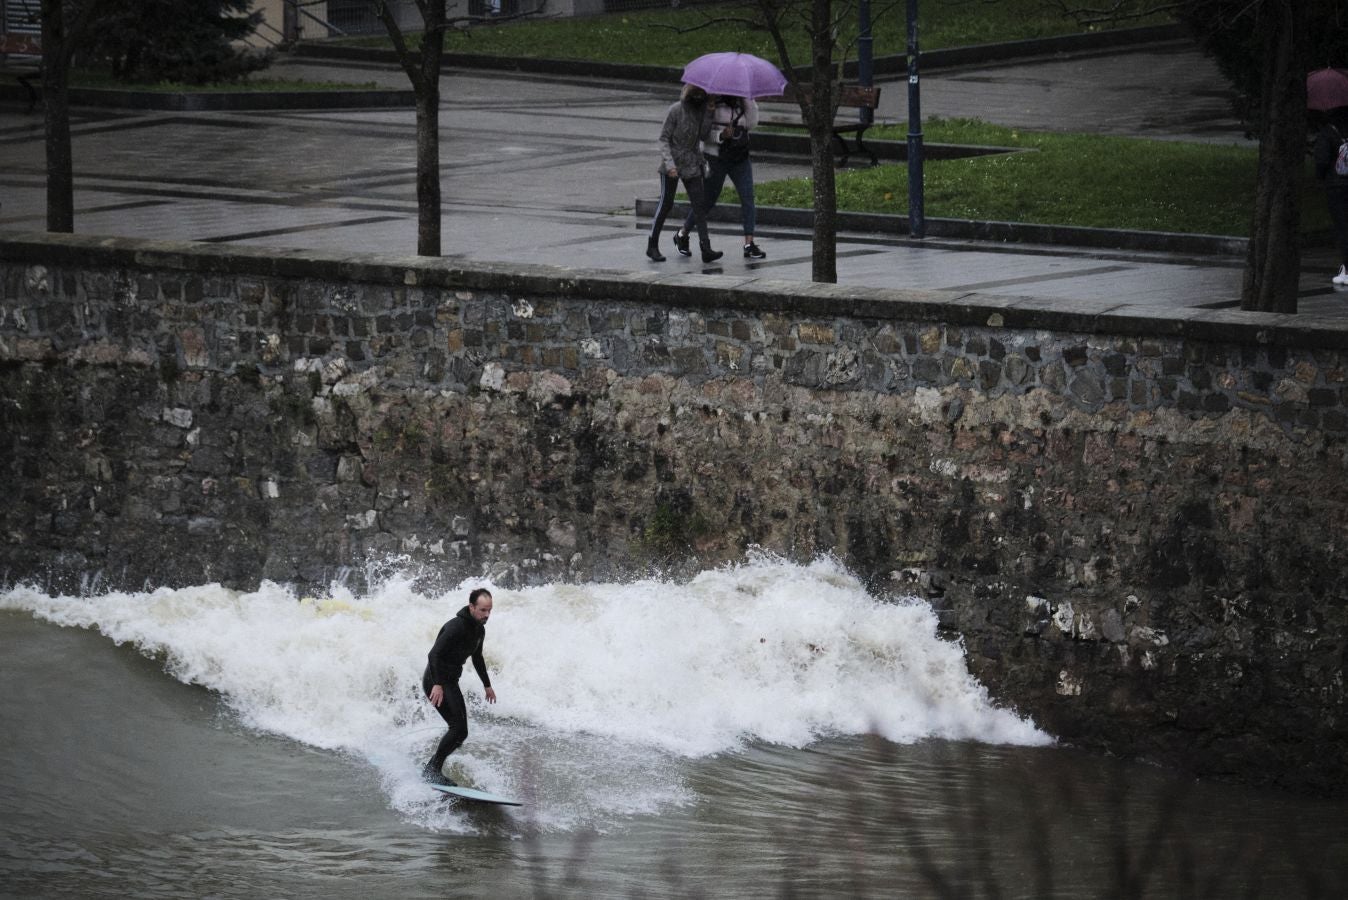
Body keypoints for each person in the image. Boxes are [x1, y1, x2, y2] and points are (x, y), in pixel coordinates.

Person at [675, 94, 766, 260]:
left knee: (748, 197)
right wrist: (721, 135)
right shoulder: (711, 101)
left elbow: (752, 122)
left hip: (740, 156)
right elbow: (703, 133)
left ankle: (749, 243)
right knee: (708, 200)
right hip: (716, 157)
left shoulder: (742, 100)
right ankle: (682, 233)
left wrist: (747, 98)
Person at [421, 587, 497, 785]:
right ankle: (432, 770)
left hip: (449, 681)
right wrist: (437, 684)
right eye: (483, 610)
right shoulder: (455, 627)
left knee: (460, 732)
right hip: (436, 680)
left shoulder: (479, 630)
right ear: (472, 607)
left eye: (489, 610)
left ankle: (432, 768)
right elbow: (433, 655)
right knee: (458, 729)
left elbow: (477, 657)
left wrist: (487, 685)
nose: (487, 615)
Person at [647, 83, 724, 264]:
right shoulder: (675, 110)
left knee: (699, 206)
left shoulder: (702, 110)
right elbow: (664, 138)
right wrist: (670, 164)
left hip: (692, 162)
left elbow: (703, 135)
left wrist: (710, 112)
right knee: (666, 203)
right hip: (672, 162)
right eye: (695, 94)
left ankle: (705, 247)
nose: (698, 98)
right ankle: (652, 244)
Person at [1313, 107, 1348, 286]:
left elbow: (1322, 160)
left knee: (1343, 227)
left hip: (1336, 186)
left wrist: (1320, 178)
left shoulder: (1327, 134)